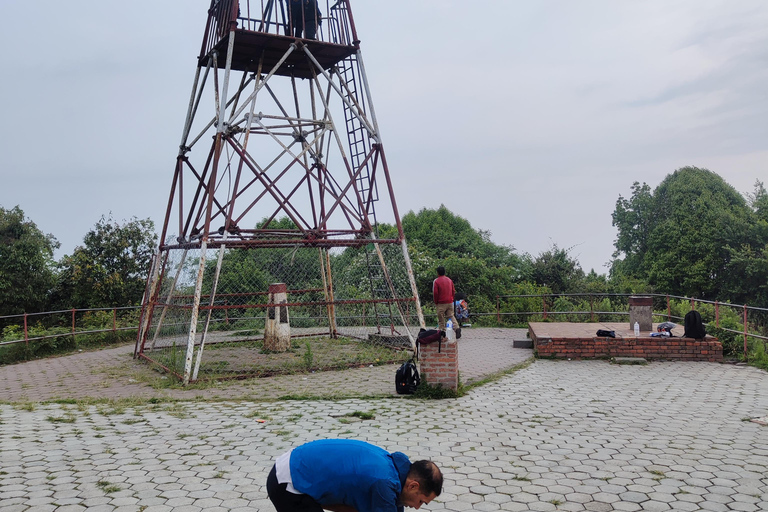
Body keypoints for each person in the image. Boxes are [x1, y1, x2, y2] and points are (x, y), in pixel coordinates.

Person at [267, 439, 443, 512]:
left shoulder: (396, 469)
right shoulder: (384, 484)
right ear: (413, 485)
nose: (418, 508)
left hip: (295, 468)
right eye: (421, 501)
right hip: (289, 483)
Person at [433, 266, 460, 338]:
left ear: (438, 273)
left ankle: (442, 332)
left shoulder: (436, 281)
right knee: (450, 315)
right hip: (449, 302)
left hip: (441, 303)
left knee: (441, 317)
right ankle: (456, 328)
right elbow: (453, 291)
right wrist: (451, 298)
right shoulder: (449, 280)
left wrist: (436, 302)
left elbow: (435, 293)